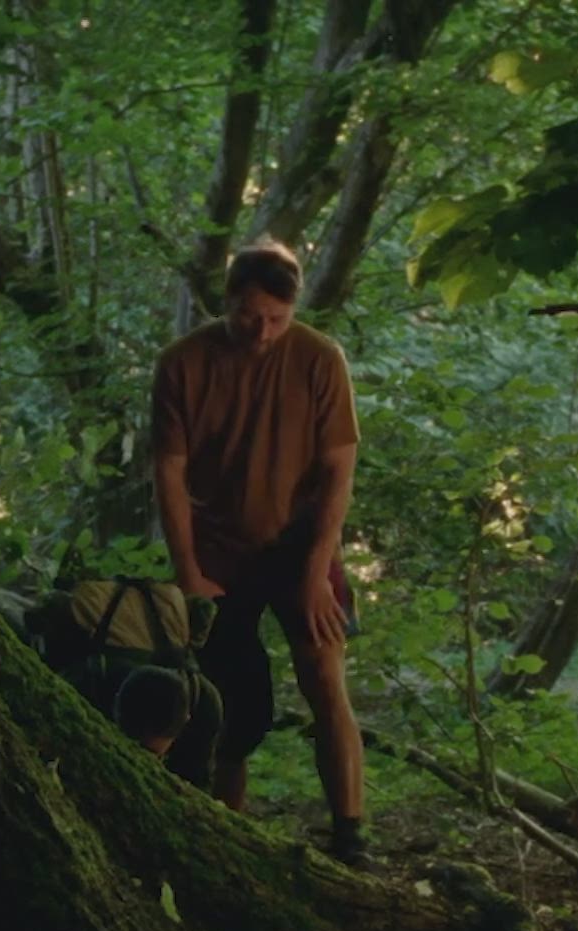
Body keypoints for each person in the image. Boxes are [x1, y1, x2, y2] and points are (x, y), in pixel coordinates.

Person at [149, 238, 370, 865]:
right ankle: (229, 832)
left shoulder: (320, 359)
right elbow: (169, 473)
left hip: (301, 543)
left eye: (277, 318)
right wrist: (189, 573)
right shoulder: (182, 364)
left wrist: (316, 573)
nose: (263, 332)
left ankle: (350, 836)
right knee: (226, 700)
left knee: (325, 677)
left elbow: (339, 473)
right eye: (249, 316)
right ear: (226, 302)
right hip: (218, 546)